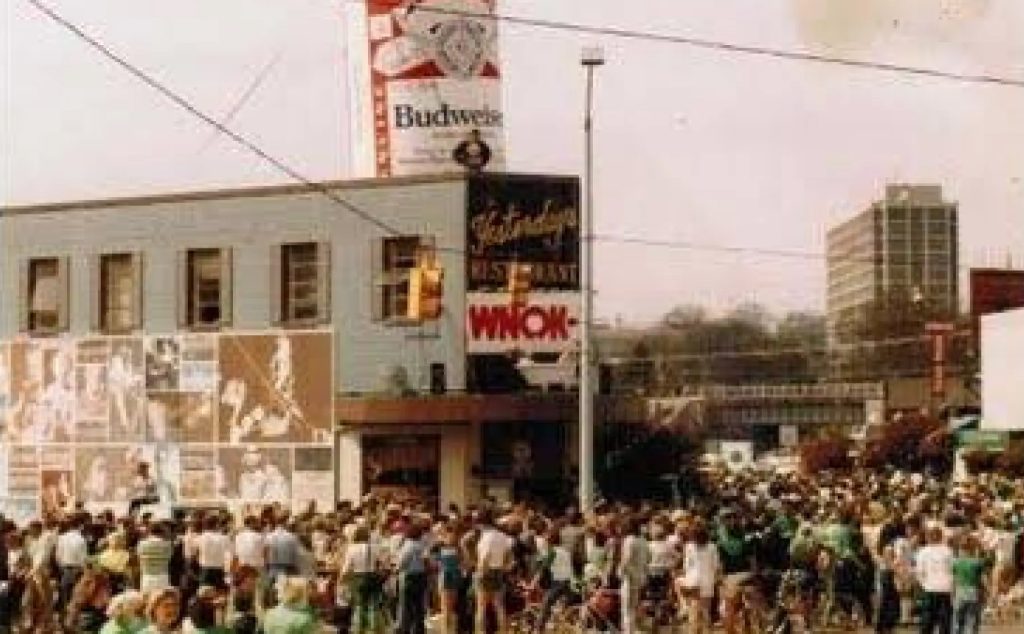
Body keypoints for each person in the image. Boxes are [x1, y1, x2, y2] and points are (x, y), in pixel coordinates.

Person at [474, 511, 512, 634]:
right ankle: (503, 631)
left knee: (481, 607)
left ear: (481, 523)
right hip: (498, 570)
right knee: (499, 606)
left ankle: (480, 632)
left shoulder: (486, 537)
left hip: (486, 571)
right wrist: (503, 566)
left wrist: (479, 573)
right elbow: (508, 556)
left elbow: (485, 557)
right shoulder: (502, 536)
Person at [340, 524, 383, 634]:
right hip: (373, 577)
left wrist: (342, 580)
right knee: (373, 605)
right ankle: (374, 628)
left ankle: (359, 629)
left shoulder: (352, 548)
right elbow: (381, 563)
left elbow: (347, 567)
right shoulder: (374, 548)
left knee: (359, 606)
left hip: (358, 578)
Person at [679, 522, 719, 634]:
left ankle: (694, 631)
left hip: (694, 580)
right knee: (706, 611)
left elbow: (686, 566)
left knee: (694, 610)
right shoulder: (712, 546)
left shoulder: (689, 546)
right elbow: (716, 565)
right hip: (708, 581)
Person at [532, 528, 574, 634]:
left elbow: (542, 570)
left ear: (549, 541)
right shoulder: (565, 551)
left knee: (546, 603)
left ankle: (538, 630)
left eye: (546, 540)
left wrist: (532, 584)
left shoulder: (552, 552)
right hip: (569, 582)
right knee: (558, 606)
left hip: (559, 583)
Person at [915, 525, 953, 634]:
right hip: (945, 588)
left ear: (928, 537)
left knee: (927, 619)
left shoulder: (923, 552)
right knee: (945, 620)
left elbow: (919, 572)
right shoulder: (948, 551)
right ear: (941, 536)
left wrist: (924, 584)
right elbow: (952, 570)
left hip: (929, 588)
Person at [617, 518, 650, 634]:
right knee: (634, 606)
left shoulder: (629, 540)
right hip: (640, 577)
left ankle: (628, 631)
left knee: (626, 609)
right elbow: (648, 559)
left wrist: (620, 572)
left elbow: (626, 560)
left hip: (629, 578)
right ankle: (633, 629)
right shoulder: (643, 540)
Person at [395, 522, 428, 634]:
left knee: (406, 606)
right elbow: (426, 560)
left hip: (409, 576)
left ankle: (405, 628)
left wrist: (396, 570)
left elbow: (402, 562)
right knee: (419, 605)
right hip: (421, 576)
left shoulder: (407, 545)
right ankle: (419, 629)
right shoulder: (422, 545)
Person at [950, 535, 986, 634]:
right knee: (972, 619)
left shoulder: (955, 562)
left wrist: (952, 594)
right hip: (974, 592)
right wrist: (985, 593)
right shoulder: (978, 562)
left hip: (959, 592)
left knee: (957, 620)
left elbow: (954, 580)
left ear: (961, 549)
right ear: (974, 549)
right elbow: (983, 580)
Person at [196, 516, 231, 591]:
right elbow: (229, 555)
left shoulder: (200, 537)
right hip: (219, 570)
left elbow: (196, 553)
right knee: (219, 596)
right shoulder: (224, 538)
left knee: (204, 594)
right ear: (217, 525)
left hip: (205, 569)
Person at [138, 522, 174, 593]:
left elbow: (139, 557)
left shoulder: (142, 544)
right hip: (162, 576)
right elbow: (170, 557)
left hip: (147, 576)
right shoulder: (167, 545)